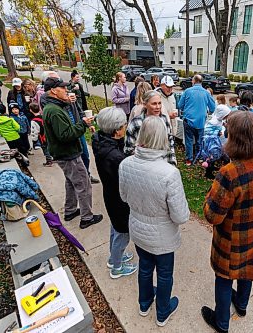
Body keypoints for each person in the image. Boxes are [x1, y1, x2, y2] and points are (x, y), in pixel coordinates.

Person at [201, 111, 253, 333]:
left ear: (233, 137)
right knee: (247, 269)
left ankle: (221, 323)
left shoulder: (230, 173)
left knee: (224, 278)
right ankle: (242, 305)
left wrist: (211, 192)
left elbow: (212, 215)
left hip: (231, 240)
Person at [118, 116, 190, 327]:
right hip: (163, 235)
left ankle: (144, 303)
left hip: (138, 229)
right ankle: (162, 313)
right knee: (165, 274)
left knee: (145, 267)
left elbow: (123, 196)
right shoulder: (170, 173)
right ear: (162, 138)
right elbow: (181, 216)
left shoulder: (125, 164)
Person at [42, 77, 103, 229]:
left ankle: (70, 211)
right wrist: (83, 124)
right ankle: (87, 218)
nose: (66, 90)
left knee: (71, 181)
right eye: (62, 88)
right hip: (68, 154)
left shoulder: (54, 107)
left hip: (63, 154)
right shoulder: (54, 111)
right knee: (83, 184)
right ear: (53, 91)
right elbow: (65, 135)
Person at [92, 107, 137, 279]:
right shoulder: (115, 158)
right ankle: (117, 267)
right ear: (117, 130)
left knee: (115, 228)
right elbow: (126, 182)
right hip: (119, 200)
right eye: (124, 125)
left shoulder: (99, 139)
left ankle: (114, 257)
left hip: (109, 195)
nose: (126, 127)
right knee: (123, 233)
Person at [125, 90, 176, 165]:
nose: (158, 107)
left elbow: (170, 143)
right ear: (145, 104)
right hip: (142, 166)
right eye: (154, 104)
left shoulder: (164, 120)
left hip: (162, 165)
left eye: (159, 103)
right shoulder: (136, 123)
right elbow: (128, 149)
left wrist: (172, 164)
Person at [178, 74, 216, 166]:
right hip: (201, 121)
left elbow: (179, 105)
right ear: (201, 82)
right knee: (200, 140)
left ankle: (189, 160)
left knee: (189, 140)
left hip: (188, 120)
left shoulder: (187, 91)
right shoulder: (206, 93)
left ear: (193, 81)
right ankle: (199, 158)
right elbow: (212, 107)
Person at [29, 102, 53, 166]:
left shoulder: (34, 121)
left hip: (42, 137)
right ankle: (53, 157)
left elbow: (34, 131)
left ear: (30, 110)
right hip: (49, 135)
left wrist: (34, 140)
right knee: (50, 147)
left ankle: (49, 161)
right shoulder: (44, 116)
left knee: (45, 149)